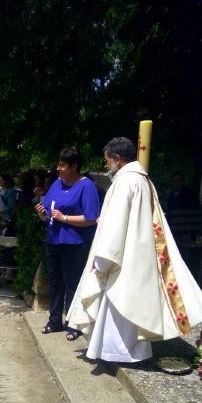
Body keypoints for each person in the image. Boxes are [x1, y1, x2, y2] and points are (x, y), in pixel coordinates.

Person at [67, 137, 202, 362]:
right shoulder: (142, 180)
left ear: (118, 159)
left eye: (107, 161)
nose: (105, 165)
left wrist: (103, 257)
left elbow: (116, 224)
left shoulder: (125, 182)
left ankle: (119, 353)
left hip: (122, 254)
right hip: (136, 253)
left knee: (121, 303)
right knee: (131, 304)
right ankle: (128, 352)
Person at [35, 145, 100, 340]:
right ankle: (55, 320)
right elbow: (48, 214)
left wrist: (65, 218)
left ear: (73, 166)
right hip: (53, 240)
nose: (58, 168)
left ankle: (75, 324)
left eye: (62, 165)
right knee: (55, 282)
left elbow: (92, 217)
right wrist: (42, 214)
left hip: (74, 243)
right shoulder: (57, 183)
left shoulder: (86, 185)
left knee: (72, 283)